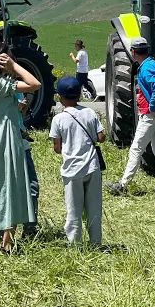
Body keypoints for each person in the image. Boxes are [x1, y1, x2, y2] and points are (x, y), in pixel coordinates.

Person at [0, 33, 42, 254]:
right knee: (12, 187)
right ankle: (7, 242)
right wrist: (15, 66)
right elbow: (35, 84)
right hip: (9, 138)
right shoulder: (4, 84)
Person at [108, 37, 155, 195]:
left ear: (133, 52)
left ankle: (122, 185)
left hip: (150, 115)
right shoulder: (154, 64)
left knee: (136, 149)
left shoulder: (145, 68)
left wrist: (151, 106)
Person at [49, 76, 105, 246]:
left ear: (60, 96)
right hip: (92, 167)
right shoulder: (89, 112)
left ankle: (75, 244)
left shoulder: (58, 119)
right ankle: (96, 243)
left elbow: (57, 147)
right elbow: (101, 137)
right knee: (94, 208)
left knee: (73, 210)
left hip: (72, 170)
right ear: (79, 94)